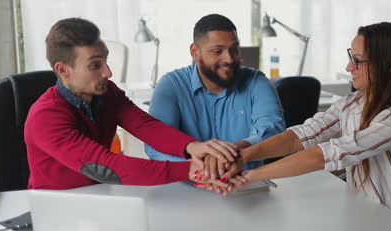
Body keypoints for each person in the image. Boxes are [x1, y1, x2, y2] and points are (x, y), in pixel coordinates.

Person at [218, 22, 391, 227]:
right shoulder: (352, 103)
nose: (349, 67)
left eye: (358, 60)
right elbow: (302, 135)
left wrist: (249, 176)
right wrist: (245, 155)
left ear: (389, 65)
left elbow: (329, 154)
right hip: (362, 215)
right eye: (350, 57)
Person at [25, 18, 237, 190]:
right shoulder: (45, 117)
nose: (108, 72)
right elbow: (105, 167)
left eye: (106, 60)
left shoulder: (108, 93)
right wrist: (190, 170)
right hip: (56, 208)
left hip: (101, 195)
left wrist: (193, 147)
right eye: (95, 65)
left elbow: (146, 126)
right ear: (63, 70)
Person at [144, 14, 285, 189]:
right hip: (186, 192)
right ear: (195, 52)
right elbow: (156, 147)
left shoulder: (257, 82)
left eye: (234, 49)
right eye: (218, 51)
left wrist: (230, 153)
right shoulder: (170, 85)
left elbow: (274, 132)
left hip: (248, 190)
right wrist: (201, 167)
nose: (230, 59)